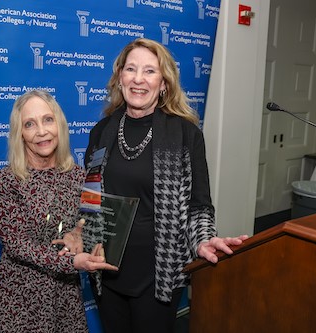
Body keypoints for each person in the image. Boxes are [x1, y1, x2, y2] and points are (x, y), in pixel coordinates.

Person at [84, 38, 249, 333]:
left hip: (159, 274)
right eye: (131, 69)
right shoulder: (101, 132)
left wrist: (202, 239)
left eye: (149, 71)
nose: (138, 79)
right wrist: (81, 238)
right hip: (106, 271)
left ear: (164, 83)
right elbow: (90, 199)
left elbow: (199, 206)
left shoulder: (185, 135)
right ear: (119, 77)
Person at [0, 90, 117, 333]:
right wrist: (71, 260)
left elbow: (88, 225)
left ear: (59, 125)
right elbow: (17, 244)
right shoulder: (6, 181)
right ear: (20, 134)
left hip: (65, 293)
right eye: (30, 124)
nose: (41, 131)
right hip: (21, 295)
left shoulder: (80, 176)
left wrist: (81, 239)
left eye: (47, 120)